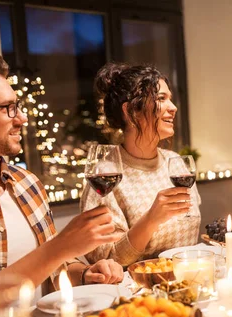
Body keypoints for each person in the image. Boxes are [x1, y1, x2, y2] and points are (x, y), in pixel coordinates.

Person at [0, 49, 124, 291]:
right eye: (7, 108)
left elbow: (55, 269)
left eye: (17, 106)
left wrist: (86, 274)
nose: (22, 118)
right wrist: (60, 247)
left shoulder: (27, 183)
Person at [81, 63, 200, 266]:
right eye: (161, 98)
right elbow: (108, 262)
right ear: (130, 111)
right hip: (135, 292)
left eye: (170, 98)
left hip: (187, 279)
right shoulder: (105, 173)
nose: (173, 107)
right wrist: (151, 219)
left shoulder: (177, 164)